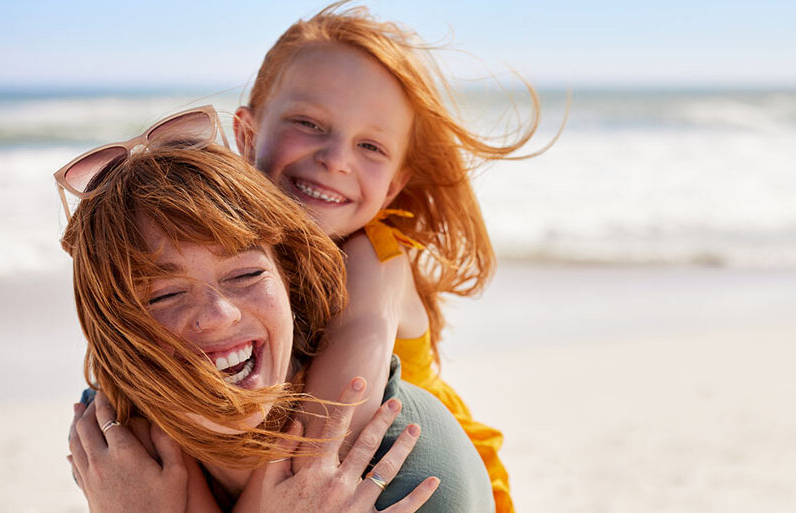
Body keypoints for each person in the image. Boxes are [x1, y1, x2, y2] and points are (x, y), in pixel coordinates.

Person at [56, 106, 494, 512]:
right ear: (111, 331)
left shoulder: (398, 472)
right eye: (163, 295)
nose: (219, 313)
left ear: (288, 280)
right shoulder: (118, 452)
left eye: (245, 275)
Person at [233, 5, 548, 511]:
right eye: (309, 123)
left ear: (395, 185)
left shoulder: (375, 258)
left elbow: (332, 429)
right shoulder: (226, 249)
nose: (336, 158)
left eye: (371, 146)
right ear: (247, 135)